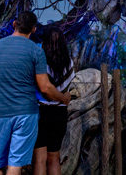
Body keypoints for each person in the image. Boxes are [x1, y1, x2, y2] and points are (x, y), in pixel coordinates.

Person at [0, 12, 71, 175]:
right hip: (26, 114)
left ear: (14, 24)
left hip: (0, 112)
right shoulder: (35, 51)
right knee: (15, 164)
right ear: (33, 29)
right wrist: (64, 98)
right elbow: (45, 87)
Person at [33, 26, 76, 175]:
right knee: (54, 157)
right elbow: (68, 87)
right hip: (59, 113)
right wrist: (64, 97)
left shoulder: (39, 61)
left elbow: (43, 89)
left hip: (41, 112)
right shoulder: (69, 62)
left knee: (39, 159)